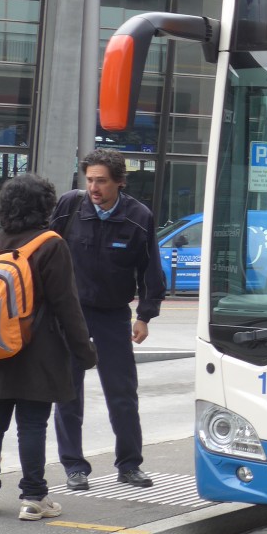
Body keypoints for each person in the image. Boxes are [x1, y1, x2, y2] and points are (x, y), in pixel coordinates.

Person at [49, 149, 166, 490]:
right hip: (70, 314)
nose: (94, 188)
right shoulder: (70, 206)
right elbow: (44, 252)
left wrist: (145, 315)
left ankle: (129, 465)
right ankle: (75, 467)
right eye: (89, 180)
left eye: (101, 181)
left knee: (122, 393)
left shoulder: (138, 216)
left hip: (113, 315)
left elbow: (151, 270)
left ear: (119, 182)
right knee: (68, 392)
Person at [0, 174, 96, 521]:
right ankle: (33, 497)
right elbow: (66, 305)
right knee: (32, 425)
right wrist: (85, 352)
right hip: (39, 352)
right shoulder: (51, 244)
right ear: (45, 206)